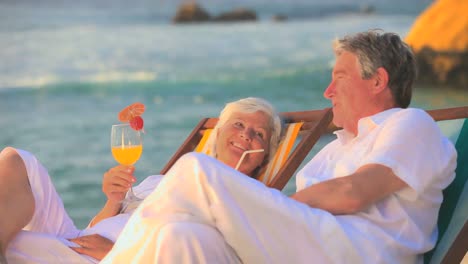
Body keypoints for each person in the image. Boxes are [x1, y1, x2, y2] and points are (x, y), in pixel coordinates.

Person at [101, 29, 457, 264]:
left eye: (339, 78)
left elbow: (352, 192)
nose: (328, 92)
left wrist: (273, 206)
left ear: (378, 81)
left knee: (196, 168)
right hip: (314, 245)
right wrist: (268, 210)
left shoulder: (410, 124)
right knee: (178, 236)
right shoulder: (335, 150)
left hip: (357, 252)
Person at [0, 97, 283, 263]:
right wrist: (113, 200)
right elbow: (95, 227)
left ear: (264, 156)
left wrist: (122, 254)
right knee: (16, 159)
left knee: (16, 246)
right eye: (238, 125)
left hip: (114, 258)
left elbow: (191, 248)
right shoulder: (161, 179)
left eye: (259, 134)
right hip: (81, 241)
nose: (247, 135)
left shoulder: (240, 199)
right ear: (218, 134)